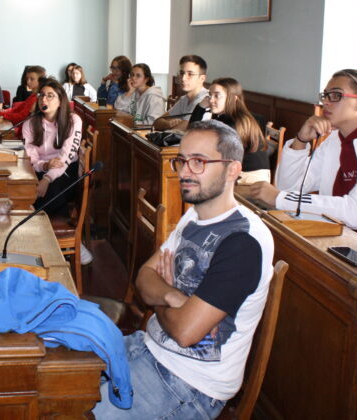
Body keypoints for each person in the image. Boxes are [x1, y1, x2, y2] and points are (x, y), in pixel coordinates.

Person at [92, 120, 274, 419]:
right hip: (147, 347)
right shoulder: (194, 216)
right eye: (182, 160)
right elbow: (143, 278)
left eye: (199, 162)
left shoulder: (243, 242)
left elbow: (185, 333)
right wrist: (175, 298)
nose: (186, 171)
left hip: (188, 385)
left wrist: (160, 297)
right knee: (57, 371)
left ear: (232, 169)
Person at [248, 69, 357, 238]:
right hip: (335, 235)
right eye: (325, 95)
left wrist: (281, 198)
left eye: (336, 95)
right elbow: (289, 188)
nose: (326, 103)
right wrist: (300, 141)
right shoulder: (336, 138)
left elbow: (356, 212)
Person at [188, 78, 270, 183]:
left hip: (250, 178)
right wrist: (200, 107)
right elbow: (192, 135)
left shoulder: (237, 122)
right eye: (210, 95)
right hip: (239, 172)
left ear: (233, 98)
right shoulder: (223, 117)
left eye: (217, 95)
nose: (211, 100)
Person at [22, 78, 82, 216]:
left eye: (50, 96)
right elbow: (31, 156)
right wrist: (45, 166)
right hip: (39, 168)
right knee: (24, 190)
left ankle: (44, 228)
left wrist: (47, 178)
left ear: (60, 101)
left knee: (51, 195)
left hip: (66, 169)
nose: (44, 99)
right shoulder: (29, 124)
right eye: (42, 95)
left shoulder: (73, 120)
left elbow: (66, 155)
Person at [154, 55, 210, 132]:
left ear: (202, 78)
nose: (183, 78)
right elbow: (157, 122)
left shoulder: (204, 100)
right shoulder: (184, 99)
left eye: (190, 74)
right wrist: (169, 124)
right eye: (181, 73)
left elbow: (180, 130)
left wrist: (171, 126)